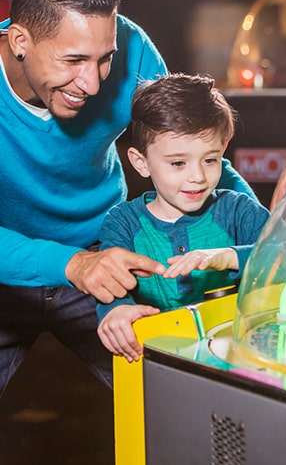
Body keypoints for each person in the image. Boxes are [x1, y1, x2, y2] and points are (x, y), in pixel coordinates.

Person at [0, 0, 255, 393]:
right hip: (14, 267)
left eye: (104, 59)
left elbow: (193, 149)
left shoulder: (133, 48)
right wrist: (72, 264)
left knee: (183, 402)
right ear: (20, 40)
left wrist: (264, 240)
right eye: (73, 60)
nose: (94, 83)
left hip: (109, 255)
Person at [96, 73, 270, 362]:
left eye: (210, 160)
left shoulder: (239, 211)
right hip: (155, 362)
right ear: (141, 162)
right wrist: (115, 310)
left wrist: (229, 257)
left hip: (236, 358)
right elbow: (109, 283)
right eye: (178, 163)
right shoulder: (123, 223)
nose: (198, 177)